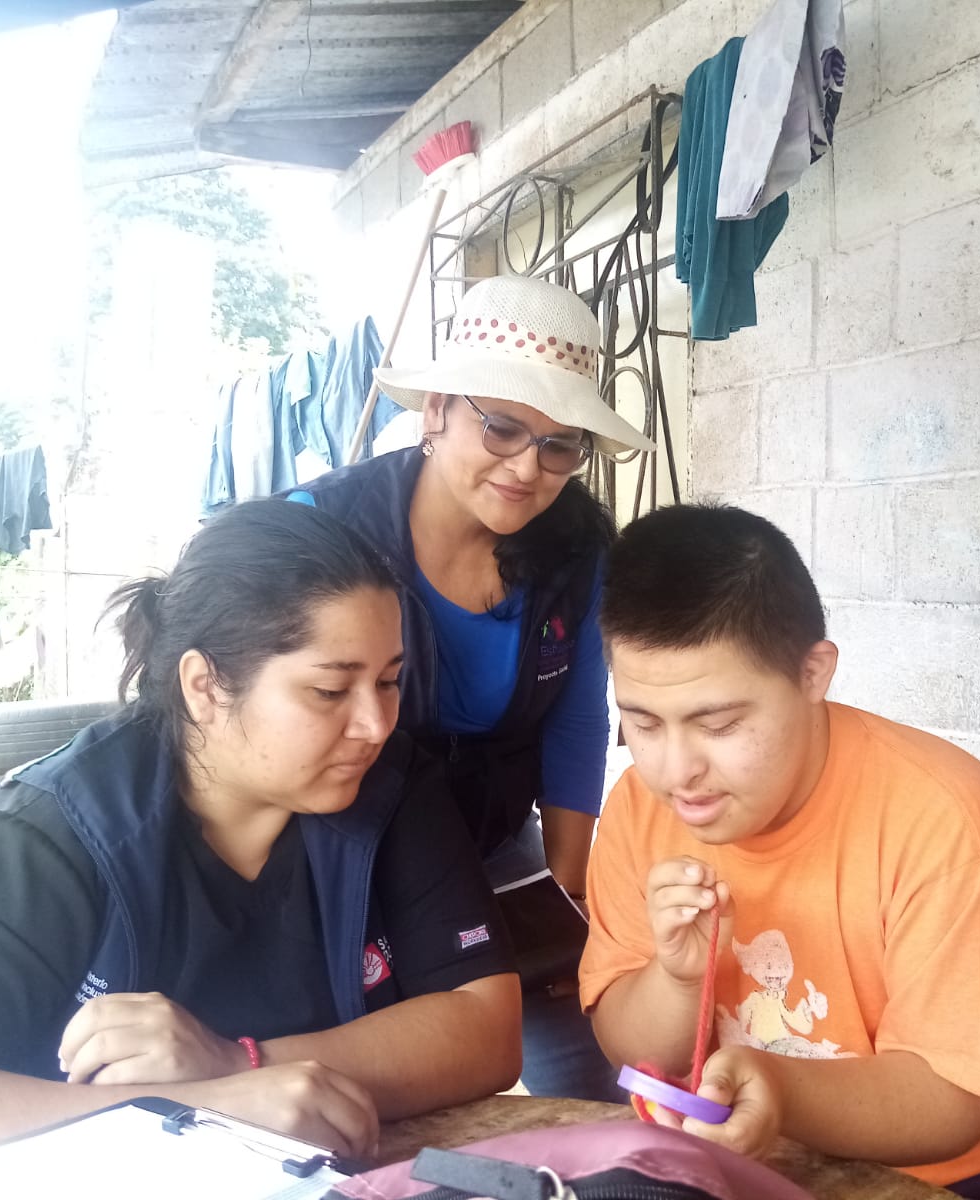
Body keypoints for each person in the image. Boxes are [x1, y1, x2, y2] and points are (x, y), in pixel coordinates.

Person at [0, 501, 521, 1195]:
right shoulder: (45, 836)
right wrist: (202, 1108)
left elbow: (487, 1028)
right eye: (330, 690)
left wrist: (238, 1064)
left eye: (389, 681)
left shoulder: (389, 788)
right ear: (204, 686)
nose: (374, 723)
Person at [579, 504, 980, 1199]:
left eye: (717, 724)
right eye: (643, 723)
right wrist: (678, 982)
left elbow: (954, 1105)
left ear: (814, 674)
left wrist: (780, 1090)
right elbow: (631, 1050)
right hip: (771, 1160)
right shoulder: (641, 809)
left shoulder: (951, 828)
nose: (676, 770)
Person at [292, 274, 654, 1101]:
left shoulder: (576, 554)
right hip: (336, 841)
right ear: (435, 411)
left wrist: (566, 891)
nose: (528, 467)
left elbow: (575, 720)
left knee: (588, 1074)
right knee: (373, 1072)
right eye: (502, 428)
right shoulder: (322, 528)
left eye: (560, 445)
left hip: (491, 837)